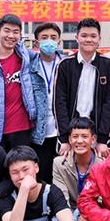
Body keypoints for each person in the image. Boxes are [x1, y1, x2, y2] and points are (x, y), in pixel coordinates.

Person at [0, 14, 45, 152]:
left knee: (23, 164)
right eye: (7, 31)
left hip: (24, 128)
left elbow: (45, 58)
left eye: (15, 32)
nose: (11, 36)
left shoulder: (25, 56)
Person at [54, 18, 110, 158]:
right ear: (77, 38)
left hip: (96, 134)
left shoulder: (108, 65)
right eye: (84, 35)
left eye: (93, 36)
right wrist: (64, 138)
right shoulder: (65, 65)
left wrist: (103, 139)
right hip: (71, 134)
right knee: (68, 168)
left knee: (97, 169)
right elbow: (59, 102)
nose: (88, 40)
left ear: (99, 39)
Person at [31, 22, 64, 183]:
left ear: (59, 41)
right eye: (44, 38)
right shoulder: (29, 67)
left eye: (53, 37)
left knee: (61, 175)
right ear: (36, 43)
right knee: (42, 175)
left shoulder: (66, 64)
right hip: (38, 131)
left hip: (62, 131)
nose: (49, 41)